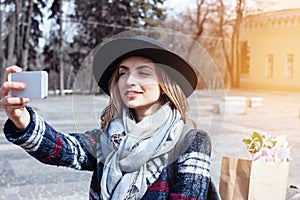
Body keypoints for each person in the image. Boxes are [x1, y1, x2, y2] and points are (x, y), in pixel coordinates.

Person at [0, 35, 220, 199]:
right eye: (123, 72)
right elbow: (64, 150)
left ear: (165, 85)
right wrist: (20, 117)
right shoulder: (109, 137)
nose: (129, 81)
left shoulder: (192, 142)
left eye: (143, 72)